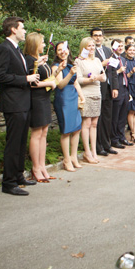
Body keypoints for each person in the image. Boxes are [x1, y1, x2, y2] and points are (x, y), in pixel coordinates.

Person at [0, 16, 39, 196]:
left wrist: (33, 69)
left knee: (20, 143)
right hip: (13, 103)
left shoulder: (16, 49)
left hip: (23, 102)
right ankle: (9, 183)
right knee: (13, 144)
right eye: (22, 28)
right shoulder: (4, 48)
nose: (25, 31)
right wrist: (25, 79)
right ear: (13, 29)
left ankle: (19, 176)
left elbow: (18, 70)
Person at [23, 32, 57, 183]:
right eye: (42, 42)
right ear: (35, 44)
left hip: (44, 98)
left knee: (44, 132)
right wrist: (49, 83)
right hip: (35, 99)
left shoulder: (38, 59)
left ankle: (42, 166)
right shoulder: (29, 60)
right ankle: (35, 167)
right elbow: (32, 83)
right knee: (37, 133)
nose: (44, 45)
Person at [52, 41, 85, 172]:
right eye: (59, 50)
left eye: (64, 49)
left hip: (73, 96)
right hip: (63, 98)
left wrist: (82, 96)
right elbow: (60, 85)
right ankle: (66, 159)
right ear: (56, 53)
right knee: (66, 130)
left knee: (76, 128)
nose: (62, 52)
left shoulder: (71, 65)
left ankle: (73, 156)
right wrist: (70, 73)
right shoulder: (56, 67)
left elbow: (75, 83)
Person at [75, 37, 106, 164]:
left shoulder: (97, 60)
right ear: (84, 47)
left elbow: (104, 77)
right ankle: (87, 152)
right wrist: (91, 79)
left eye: (93, 46)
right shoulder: (79, 61)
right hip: (86, 94)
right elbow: (78, 80)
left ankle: (94, 151)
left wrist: (96, 78)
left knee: (94, 124)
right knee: (86, 124)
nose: (91, 48)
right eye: (89, 46)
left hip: (97, 93)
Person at [91, 27, 118, 157]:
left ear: (103, 37)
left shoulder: (108, 50)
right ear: (91, 37)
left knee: (107, 118)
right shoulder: (89, 52)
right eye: (95, 35)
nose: (98, 38)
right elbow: (88, 69)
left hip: (108, 88)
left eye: (100, 35)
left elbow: (113, 71)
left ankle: (107, 144)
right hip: (96, 88)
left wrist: (115, 87)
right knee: (98, 119)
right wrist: (102, 64)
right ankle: (98, 146)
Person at [110, 39, 132, 148]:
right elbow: (110, 74)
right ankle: (114, 139)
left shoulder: (123, 59)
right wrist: (119, 71)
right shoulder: (111, 59)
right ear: (113, 47)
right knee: (116, 116)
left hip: (124, 88)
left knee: (123, 116)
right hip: (117, 89)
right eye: (118, 46)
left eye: (121, 46)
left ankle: (121, 136)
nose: (120, 48)